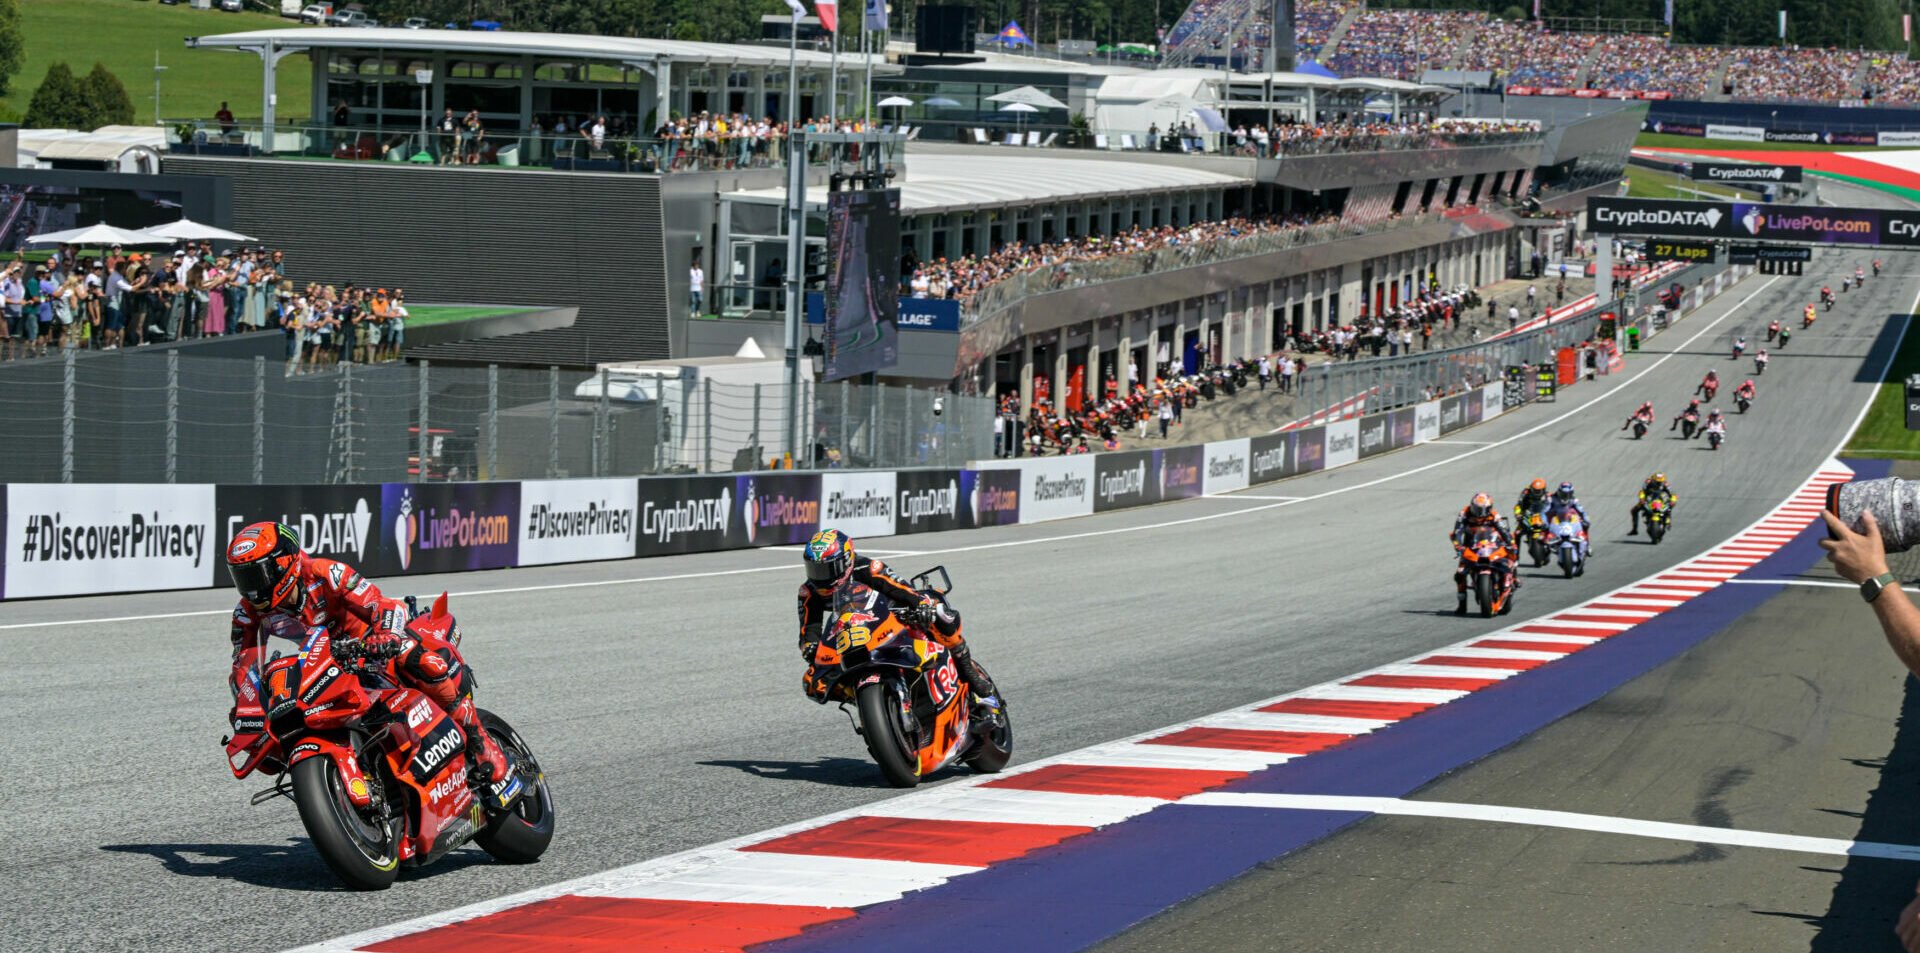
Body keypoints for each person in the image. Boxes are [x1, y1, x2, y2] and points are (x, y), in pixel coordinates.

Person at [222, 522, 522, 811]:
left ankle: (480, 741)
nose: (251, 590)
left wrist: (385, 636)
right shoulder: (246, 614)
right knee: (267, 734)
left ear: (283, 563)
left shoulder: (325, 573)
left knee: (417, 658)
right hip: (322, 663)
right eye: (242, 578)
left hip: (370, 642)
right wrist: (248, 707)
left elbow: (381, 604)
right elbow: (244, 667)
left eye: (256, 576)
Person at [796, 529, 999, 702]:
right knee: (814, 682)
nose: (820, 577)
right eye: (814, 569)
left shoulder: (868, 568)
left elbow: (901, 589)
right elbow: (808, 628)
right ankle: (866, 699)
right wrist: (810, 648)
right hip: (853, 633)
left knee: (937, 609)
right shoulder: (809, 591)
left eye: (827, 569)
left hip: (890, 616)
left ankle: (966, 667)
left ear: (847, 561)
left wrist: (920, 605)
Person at [1451, 492, 1518, 615]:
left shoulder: (1494, 516)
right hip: (1471, 547)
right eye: (1476, 509)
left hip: (1491, 545)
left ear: (1489, 508)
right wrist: (1458, 545)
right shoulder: (1464, 514)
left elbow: (1504, 531)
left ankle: (1512, 577)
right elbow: (1458, 531)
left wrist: (1511, 543)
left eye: (1482, 510)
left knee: (1510, 554)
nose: (1479, 513)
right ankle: (1462, 605)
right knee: (1460, 575)